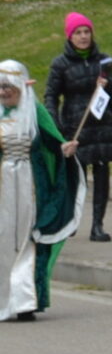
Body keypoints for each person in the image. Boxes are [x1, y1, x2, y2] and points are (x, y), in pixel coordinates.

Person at [1, 59, 80, 320]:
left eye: (7, 87)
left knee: (28, 240)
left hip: (31, 186)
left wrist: (63, 148)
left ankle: (25, 302)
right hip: (3, 186)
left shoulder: (34, 111)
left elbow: (52, 140)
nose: (3, 93)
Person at [45, 13, 112, 241]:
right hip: (74, 126)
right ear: (69, 36)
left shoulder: (104, 61)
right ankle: (72, 220)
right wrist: (55, 125)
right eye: (78, 32)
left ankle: (98, 225)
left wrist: (110, 84)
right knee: (75, 177)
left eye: (86, 31)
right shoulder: (61, 64)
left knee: (102, 175)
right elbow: (51, 95)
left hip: (101, 126)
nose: (83, 37)